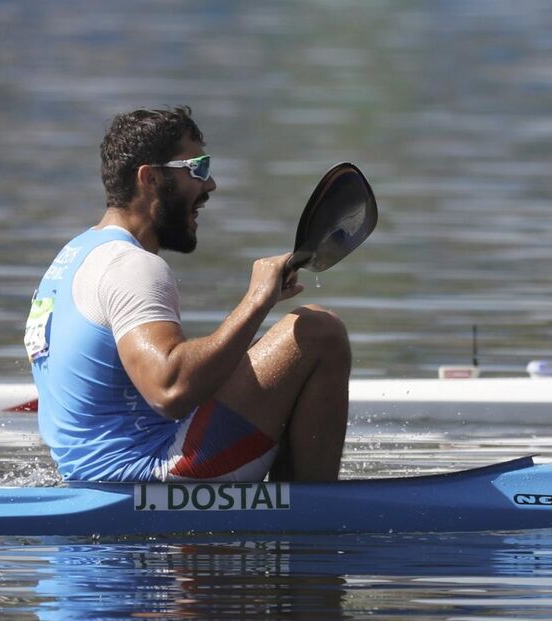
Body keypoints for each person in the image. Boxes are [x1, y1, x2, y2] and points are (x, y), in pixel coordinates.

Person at [26, 106, 350, 483]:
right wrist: (255, 302)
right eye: (196, 169)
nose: (210, 186)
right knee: (317, 331)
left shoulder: (73, 258)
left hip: (87, 475)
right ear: (149, 178)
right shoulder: (132, 266)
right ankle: (311, 514)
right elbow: (170, 390)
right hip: (149, 472)